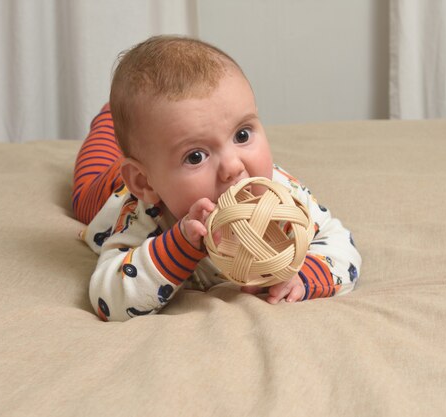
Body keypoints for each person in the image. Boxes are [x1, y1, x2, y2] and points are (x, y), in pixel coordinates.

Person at [73, 35, 361, 322]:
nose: (233, 167)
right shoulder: (143, 216)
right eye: (196, 156)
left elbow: (339, 244)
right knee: (84, 193)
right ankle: (108, 121)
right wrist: (178, 247)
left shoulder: (280, 194)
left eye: (242, 135)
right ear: (146, 182)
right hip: (113, 189)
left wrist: (305, 275)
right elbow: (108, 299)